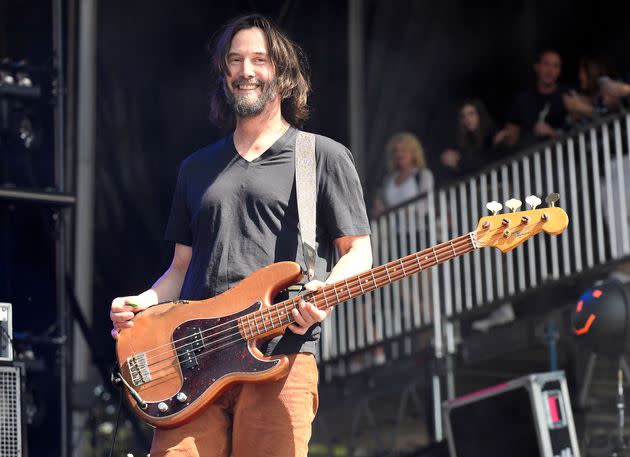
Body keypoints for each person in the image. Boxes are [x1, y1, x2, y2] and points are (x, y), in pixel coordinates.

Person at [109, 14, 372, 457]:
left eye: (259, 60)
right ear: (224, 75)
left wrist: (323, 294)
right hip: (192, 361)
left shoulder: (321, 157)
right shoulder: (195, 167)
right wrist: (144, 302)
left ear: (283, 75)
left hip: (280, 354)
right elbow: (180, 269)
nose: (245, 70)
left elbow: (358, 251)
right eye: (235, 61)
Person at [494, 49, 568, 148]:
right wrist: (505, 137)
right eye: (546, 64)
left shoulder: (568, 96)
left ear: (559, 71)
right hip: (530, 159)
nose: (550, 70)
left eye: (555, 66)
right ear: (537, 67)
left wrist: (552, 133)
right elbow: (512, 136)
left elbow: (579, 132)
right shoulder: (522, 100)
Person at [370, 132, 434, 218]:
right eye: (395, 151)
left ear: (414, 153)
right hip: (392, 230)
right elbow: (382, 206)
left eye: (403, 150)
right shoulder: (388, 180)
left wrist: (400, 213)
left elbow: (425, 205)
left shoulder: (423, 175)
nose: (399, 154)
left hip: (417, 228)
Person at [440, 98, 498, 181]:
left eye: (471, 114)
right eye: (463, 116)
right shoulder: (465, 141)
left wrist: (459, 163)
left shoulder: (491, 132)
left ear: (480, 114)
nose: (467, 119)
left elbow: (487, 161)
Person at [563, 55, 616, 123]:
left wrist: (581, 107)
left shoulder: (607, 87)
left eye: (582, 72)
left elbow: (608, 117)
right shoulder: (586, 96)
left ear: (592, 72)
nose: (580, 76)